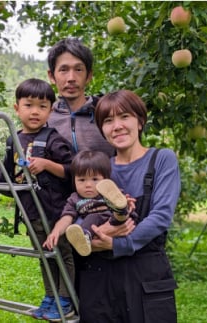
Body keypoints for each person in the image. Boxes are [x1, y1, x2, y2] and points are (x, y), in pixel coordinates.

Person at [0, 78, 76, 321]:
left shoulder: (52, 139)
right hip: (31, 212)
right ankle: (51, 295)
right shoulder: (14, 140)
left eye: (42, 106)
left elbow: (71, 171)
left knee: (62, 254)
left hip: (55, 212)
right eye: (29, 105)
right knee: (45, 256)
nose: (35, 111)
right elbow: (10, 178)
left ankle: (66, 298)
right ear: (16, 108)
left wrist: (47, 164)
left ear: (50, 110)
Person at [74, 89, 182, 323]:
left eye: (125, 117)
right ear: (102, 129)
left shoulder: (161, 159)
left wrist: (117, 243)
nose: (117, 126)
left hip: (145, 276)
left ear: (140, 121)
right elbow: (79, 207)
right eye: (109, 121)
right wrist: (93, 240)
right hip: (99, 277)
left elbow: (161, 216)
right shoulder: (100, 169)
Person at [43, 150, 138, 257]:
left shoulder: (110, 192)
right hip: (95, 227)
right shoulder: (75, 199)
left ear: (105, 179)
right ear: (74, 180)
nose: (88, 185)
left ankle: (121, 209)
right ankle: (83, 240)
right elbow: (66, 218)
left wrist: (128, 203)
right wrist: (56, 232)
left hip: (118, 221)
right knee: (91, 219)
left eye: (95, 179)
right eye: (82, 180)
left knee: (121, 209)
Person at [46, 37, 115, 158]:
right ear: (51, 76)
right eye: (63, 70)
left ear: (88, 76)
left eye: (78, 69)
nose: (71, 78)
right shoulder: (43, 118)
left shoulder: (106, 113)